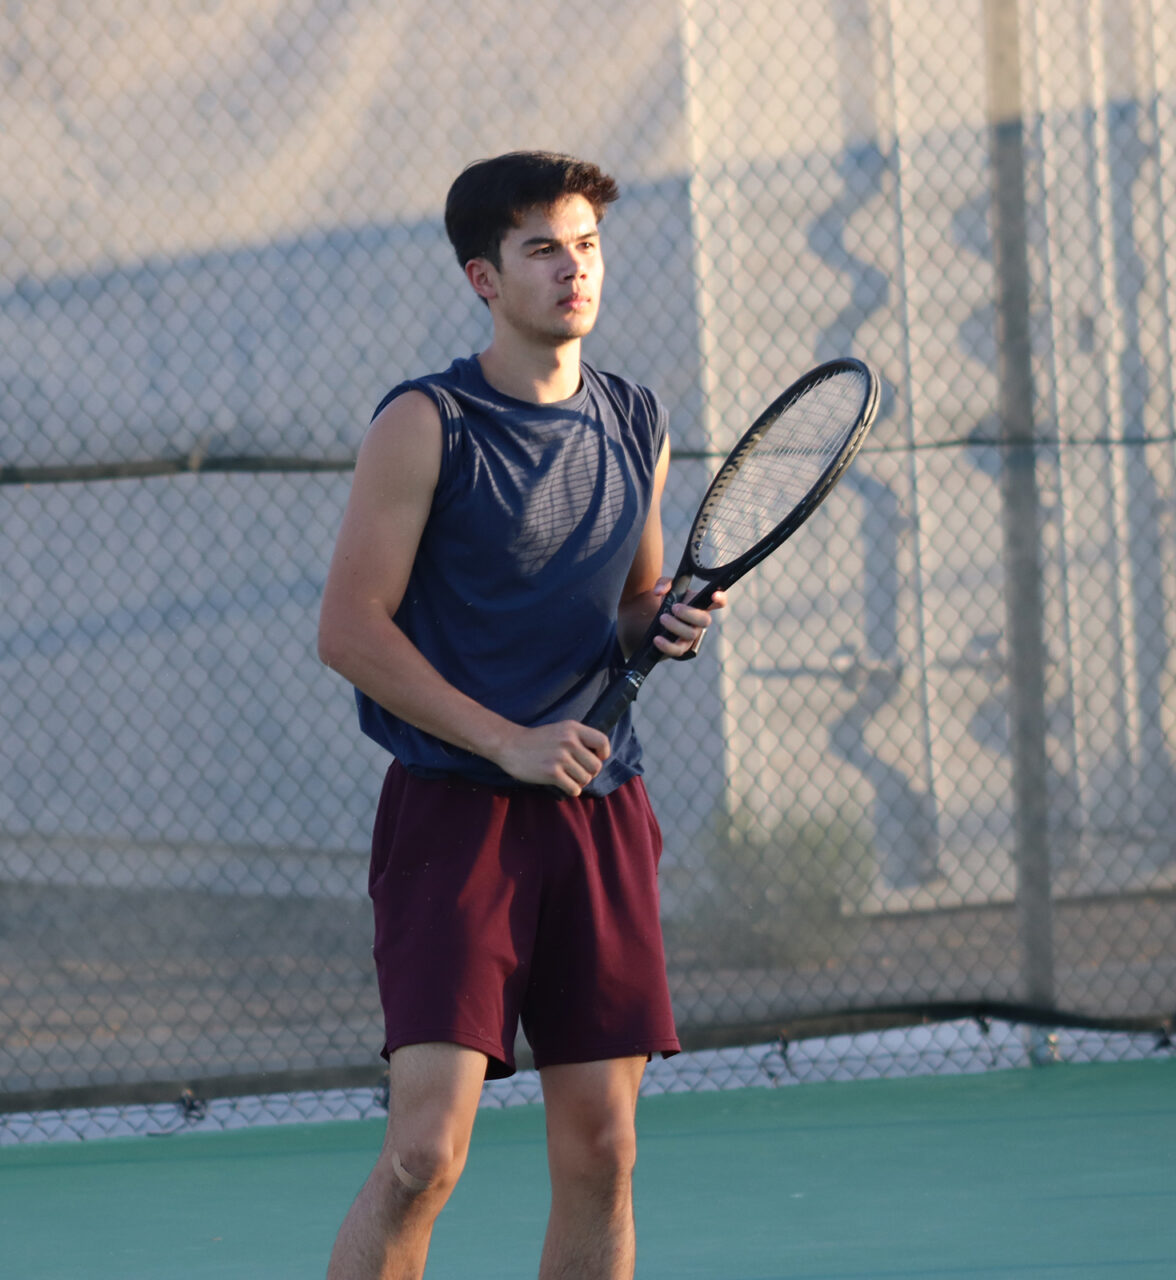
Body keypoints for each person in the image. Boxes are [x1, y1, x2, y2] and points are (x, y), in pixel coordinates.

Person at [315, 151, 725, 1280]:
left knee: (604, 1149)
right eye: (543, 249)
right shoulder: (425, 422)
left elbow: (631, 606)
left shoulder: (636, 418)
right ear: (484, 278)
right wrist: (508, 741)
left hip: (599, 810)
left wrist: (665, 620)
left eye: (586, 245)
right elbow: (349, 630)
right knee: (423, 1156)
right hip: (456, 818)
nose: (573, 268)